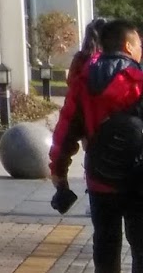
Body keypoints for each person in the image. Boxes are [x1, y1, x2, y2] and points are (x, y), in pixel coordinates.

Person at [73, 19, 143, 273]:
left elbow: (67, 126)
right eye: (139, 44)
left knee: (105, 242)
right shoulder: (139, 79)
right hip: (138, 177)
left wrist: (58, 172)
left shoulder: (84, 80)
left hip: (101, 175)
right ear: (128, 46)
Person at [50, 16, 107, 191]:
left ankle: (93, 186)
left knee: (91, 154)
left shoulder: (81, 59)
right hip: (108, 121)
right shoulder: (114, 61)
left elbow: (71, 83)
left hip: (84, 117)